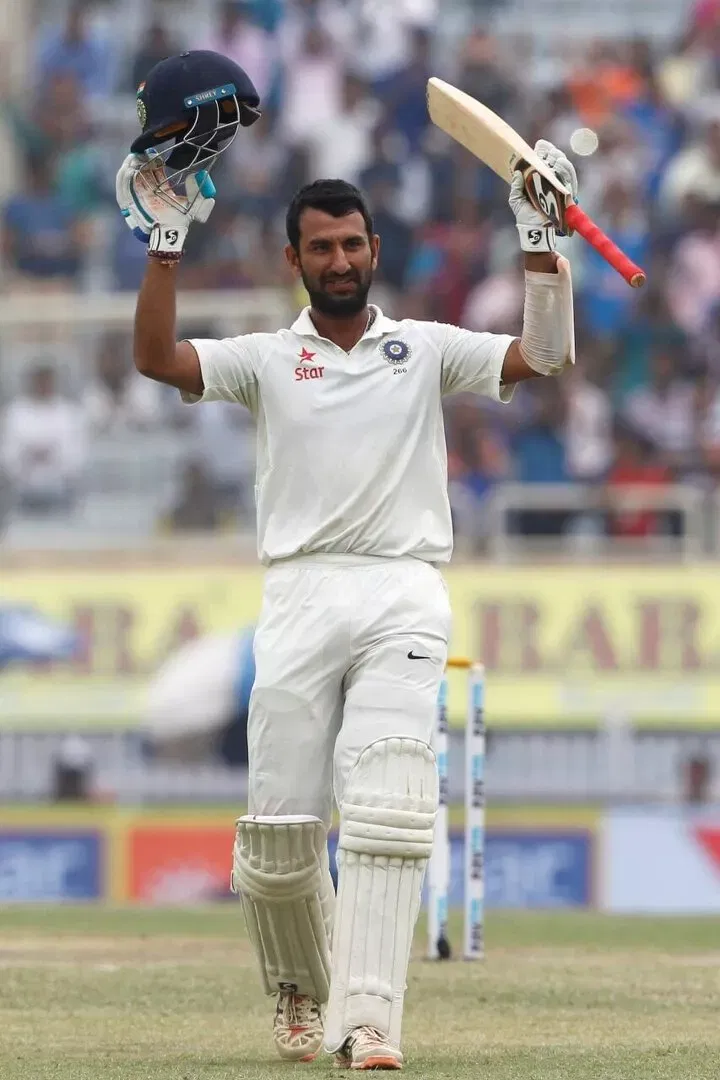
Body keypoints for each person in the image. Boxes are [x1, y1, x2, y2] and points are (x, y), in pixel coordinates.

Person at [116, 50, 577, 1070]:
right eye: (320, 247)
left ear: (374, 248)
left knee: (390, 803)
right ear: (297, 259)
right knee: (279, 837)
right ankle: (299, 991)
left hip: (405, 587)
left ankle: (371, 1022)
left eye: (352, 243)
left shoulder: (423, 348)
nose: (339, 259)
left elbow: (540, 359)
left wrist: (541, 244)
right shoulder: (267, 361)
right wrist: (163, 245)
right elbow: (155, 361)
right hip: (299, 590)